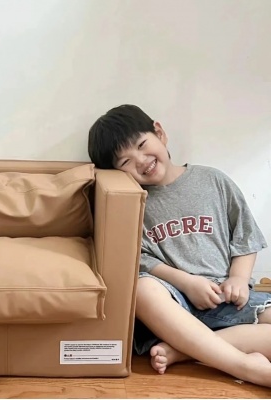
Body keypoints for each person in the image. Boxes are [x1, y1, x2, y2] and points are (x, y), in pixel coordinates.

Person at [88, 104, 271, 387]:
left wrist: (238, 278)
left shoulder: (213, 180)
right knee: (142, 289)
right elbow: (138, 259)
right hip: (175, 305)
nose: (141, 161)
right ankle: (245, 366)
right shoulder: (131, 202)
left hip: (227, 297)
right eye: (125, 162)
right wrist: (186, 282)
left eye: (142, 145)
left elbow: (245, 236)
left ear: (159, 133)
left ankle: (185, 351)